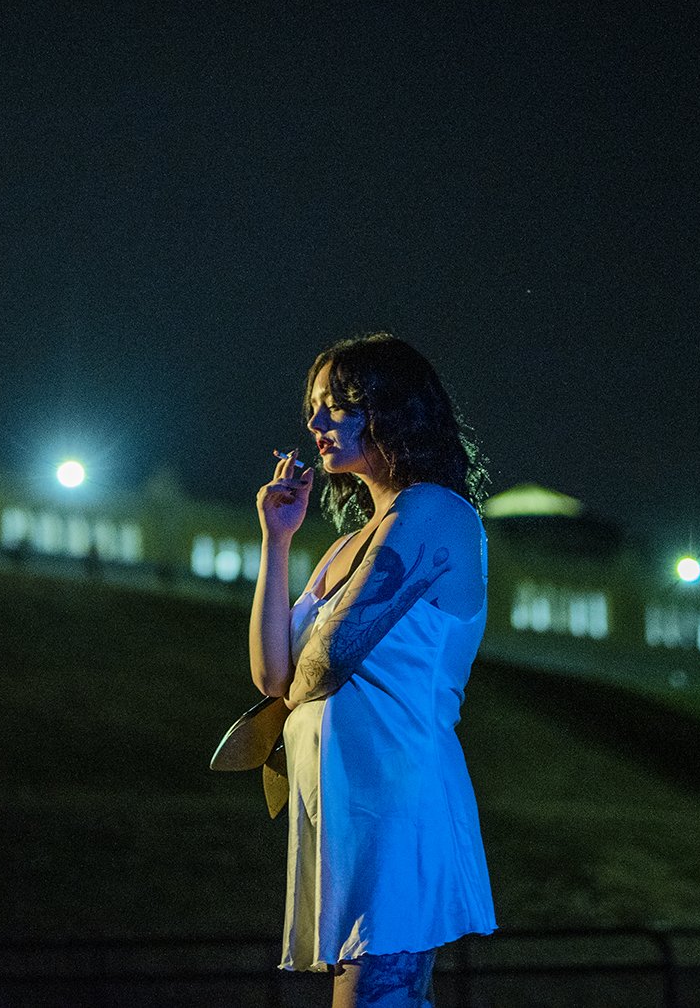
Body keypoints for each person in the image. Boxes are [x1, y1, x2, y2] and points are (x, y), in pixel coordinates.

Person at [249, 332, 496, 1008]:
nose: (315, 423)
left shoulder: (432, 512)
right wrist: (277, 541)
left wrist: (301, 692)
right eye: (314, 408)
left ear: (389, 409)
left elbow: (328, 659)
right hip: (349, 808)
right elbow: (273, 676)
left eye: (337, 405)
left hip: (395, 798)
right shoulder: (345, 545)